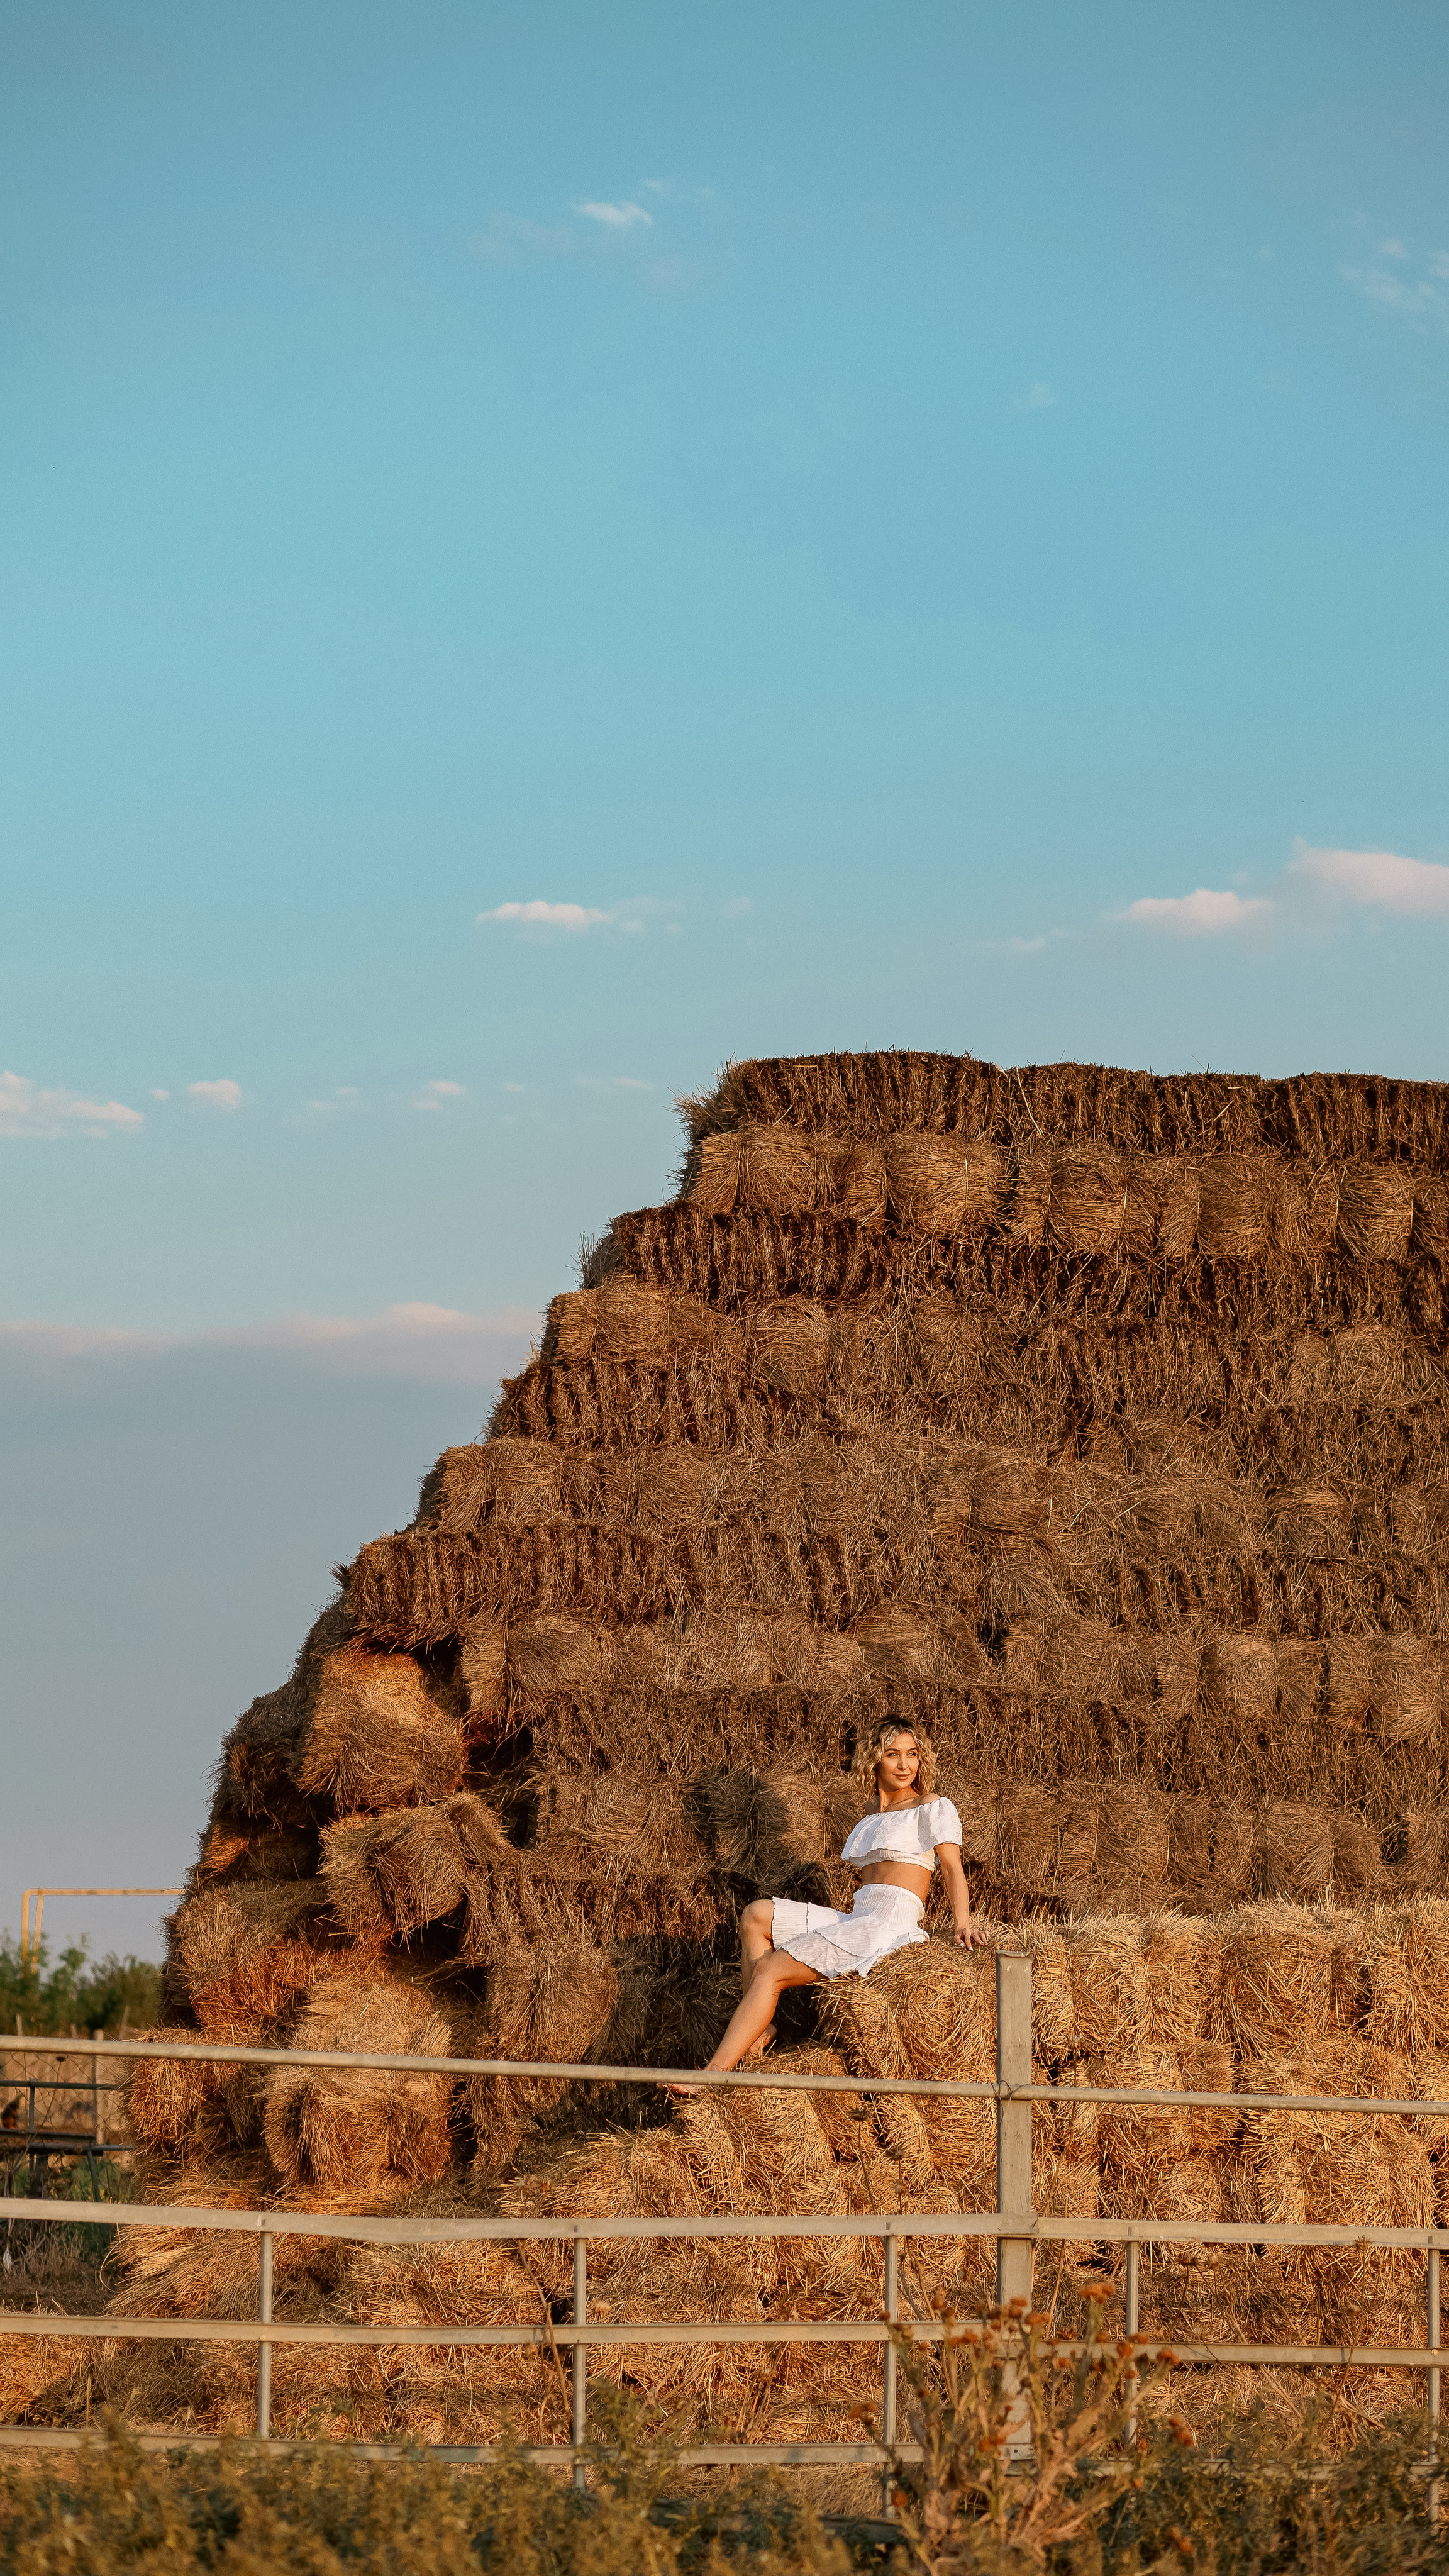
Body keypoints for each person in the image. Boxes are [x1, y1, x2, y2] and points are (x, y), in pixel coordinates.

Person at [670, 1723, 987, 2091]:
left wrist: (962, 1923)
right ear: (874, 1760)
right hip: (861, 1916)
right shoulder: (871, 1812)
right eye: (893, 1754)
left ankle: (714, 2074)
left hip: (889, 1927)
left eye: (912, 1755)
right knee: (756, 1914)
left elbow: (951, 1867)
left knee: (771, 1969)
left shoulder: (930, 1805)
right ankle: (759, 2028)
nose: (905, 1765)